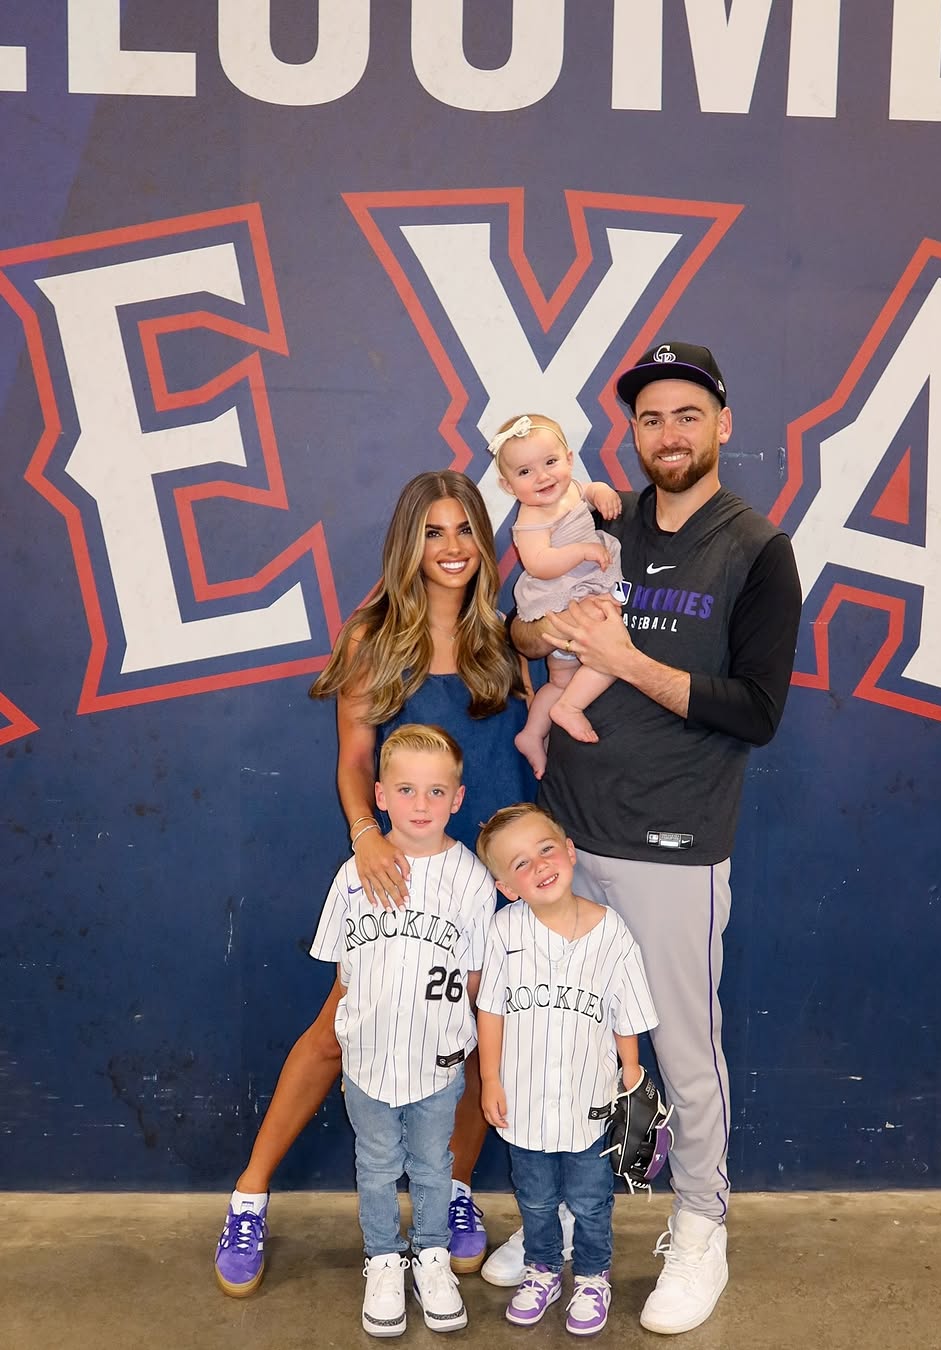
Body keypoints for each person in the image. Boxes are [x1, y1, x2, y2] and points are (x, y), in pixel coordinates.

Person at [499, 340, 803, 1335]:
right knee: (566, 1040)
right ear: (629, 432)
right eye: (649, 418)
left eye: (686, 414)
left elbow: (757, 710)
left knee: (679, 1047)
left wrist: (625, 659)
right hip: (567, 833)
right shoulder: (598, 514)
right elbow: (516, 628)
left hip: (672, 841)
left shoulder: (756, 548)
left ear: (722, 424)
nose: (667, 434)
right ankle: (561, 1227)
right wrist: (549, 635)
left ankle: (702, 1225)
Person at [214, 470, 536, 1297]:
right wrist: (366, 836)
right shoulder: (374, 635)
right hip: (401, 868)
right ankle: (249, 1197)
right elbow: (356, 760)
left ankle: (451, 1192)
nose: (453, 547)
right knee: (338, 1030)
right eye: (434, 531)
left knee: (474, 1036)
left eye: (465, 530)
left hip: (493, 874)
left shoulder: (508, 635)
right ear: (408, 544)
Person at [310, 724, 495, 1336]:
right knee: (377, 1163)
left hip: (437, 1058)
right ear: (381, 795)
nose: (421, 804)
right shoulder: (353, 874)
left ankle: (432, 1256)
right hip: (368, 1057)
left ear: (458, 798)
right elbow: (344, 969)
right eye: (407, 790)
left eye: (436, 792)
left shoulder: (471, 878)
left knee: (434, 1163)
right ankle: (384, 1259)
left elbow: (474, 977)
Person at [474, 803, 658, 1335]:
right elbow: (491, 1010)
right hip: (524, 1102)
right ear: (507, 887)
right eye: (520, 864)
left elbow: (626, 1011)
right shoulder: (504, 930)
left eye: (546, 849)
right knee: (535, 1199)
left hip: (589, 1102)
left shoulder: (612, 932)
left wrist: (631, 1072)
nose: (539, 866)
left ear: (570, 852)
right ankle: (543, 1270)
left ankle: (594, 1276)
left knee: (591, 1201)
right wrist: (489, 1078)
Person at [488, 413, 624, 778]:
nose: (543, 477)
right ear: (507, 485)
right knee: (612, 653)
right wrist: (581, 551)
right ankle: (569, 708)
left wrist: (601, 492)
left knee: (560, 681)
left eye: (550, 462)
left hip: (581, 591)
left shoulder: (572, 490)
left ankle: (533, 733)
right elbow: (539, 563)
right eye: (525, 472)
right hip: (561, 597)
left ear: (569, 459)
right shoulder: (530, 518)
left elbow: (589, 491)